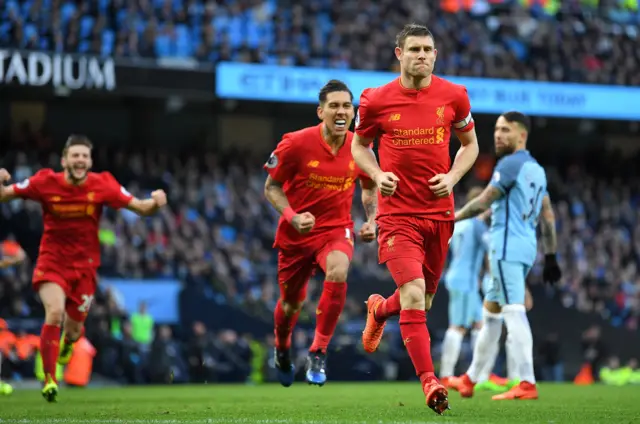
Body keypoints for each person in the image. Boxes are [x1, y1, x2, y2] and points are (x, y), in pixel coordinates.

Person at [351, 23, 479, 414]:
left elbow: (470, 145)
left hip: (439, 215)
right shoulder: (375, 100)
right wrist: (376, 174)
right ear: (399, 54)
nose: (422, 55)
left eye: (428, 49)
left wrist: (454, 177)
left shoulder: (454, 96)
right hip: (398, 215)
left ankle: (380, 310)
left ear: (435, 55)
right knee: (413, 295)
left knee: (418, 302)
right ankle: (430, 382)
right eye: (415, 49)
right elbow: (359, 145)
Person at [0, 135, 168, 402]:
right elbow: (5, 195)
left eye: (84, 156)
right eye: (75, 155)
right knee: (54, 312)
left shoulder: (103, 184)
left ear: (89, 162)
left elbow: (140, 207)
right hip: (52, 262)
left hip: (85, 269)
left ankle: (67, 344)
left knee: (75, 330)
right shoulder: (45, 181)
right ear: (64, 159)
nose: (80, 160)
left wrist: (156, 202)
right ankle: (50, 379)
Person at [263, 80, 378, 387]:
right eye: (334, 106)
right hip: (296, 234)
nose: (341, 111)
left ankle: (318, 350)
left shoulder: (360, 148)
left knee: (338, 271)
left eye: (346, 106)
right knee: (290, 305)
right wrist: (292, 215)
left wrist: (372, 219)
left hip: (335, 230)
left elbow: (369, 189)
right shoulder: (296, 143)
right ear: (321, 112)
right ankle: (283, 348)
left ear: (353, 112)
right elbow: (271, 187)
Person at [448, 111, 562, 400]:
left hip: (506, 245)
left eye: (505, 130)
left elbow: (485, 200)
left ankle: (526, 382)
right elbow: (547, 216)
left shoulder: (510, 164)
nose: (498, 135)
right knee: (491, 313)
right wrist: (550, 256)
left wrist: (453, 218)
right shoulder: (536, 169)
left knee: (513, 309)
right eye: (497, 129)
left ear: (521, 135)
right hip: (525, 247)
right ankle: (471, 379)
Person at [440, 188, 488, 388]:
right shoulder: (476, 225)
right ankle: (446, 374)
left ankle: (478, 375)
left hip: (458, 276)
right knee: (458, 326)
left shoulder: (458, 224)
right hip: (465, 280)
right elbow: (490, 248)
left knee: (480, 324)